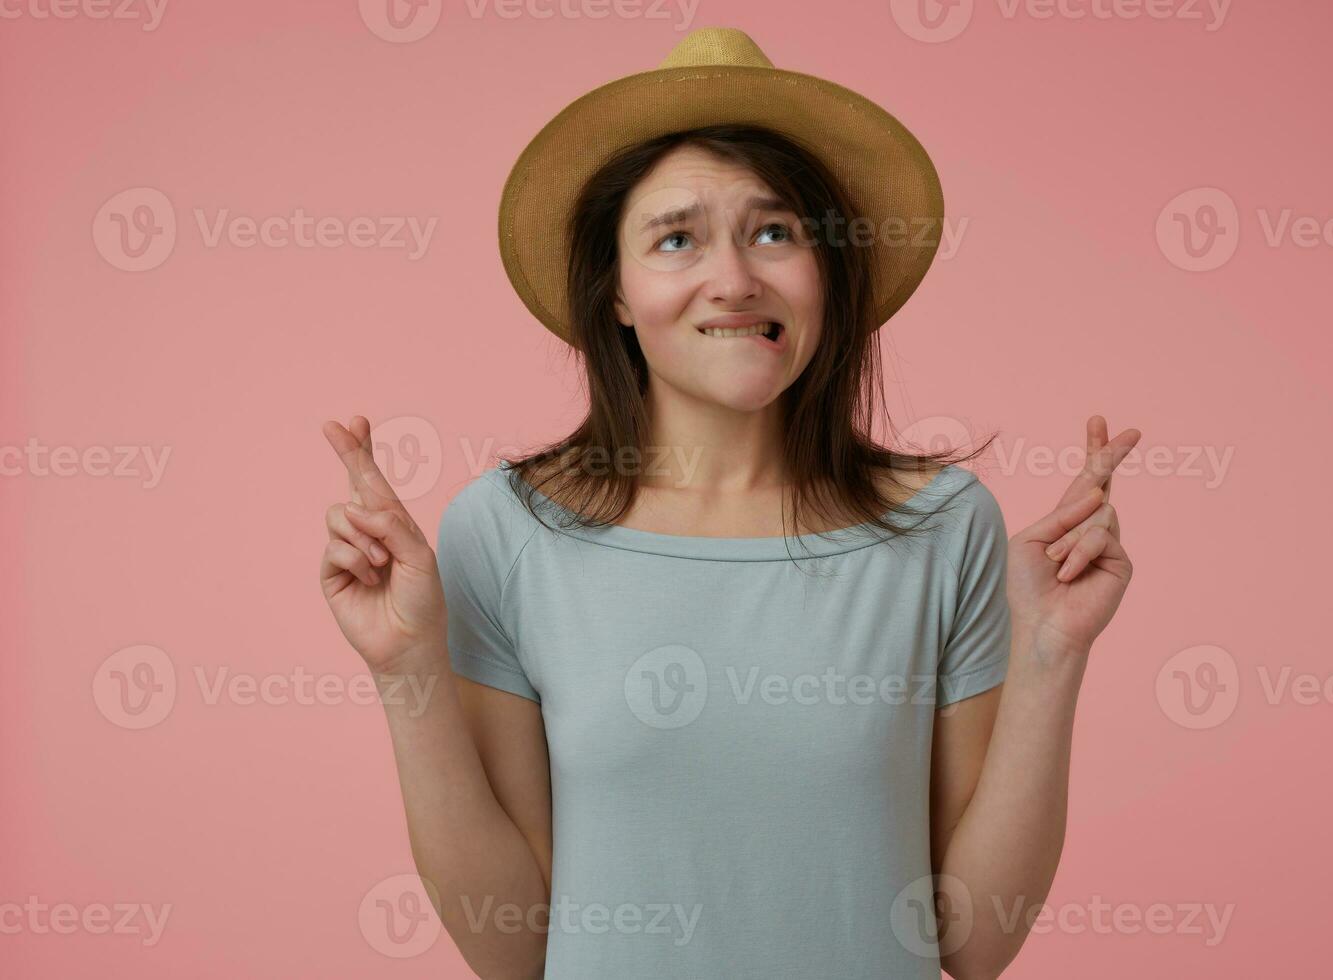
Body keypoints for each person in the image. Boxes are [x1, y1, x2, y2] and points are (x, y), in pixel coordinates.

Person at [319, 26, 1139, 980]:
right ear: (616, 292)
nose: (736, 278)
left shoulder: (944, 528)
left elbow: (973, 940)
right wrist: (403, 667)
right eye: (677, 238)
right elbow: (511, 949)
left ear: (826, 270)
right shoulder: (506, 532)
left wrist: (1052, 653)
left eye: (775, 231)